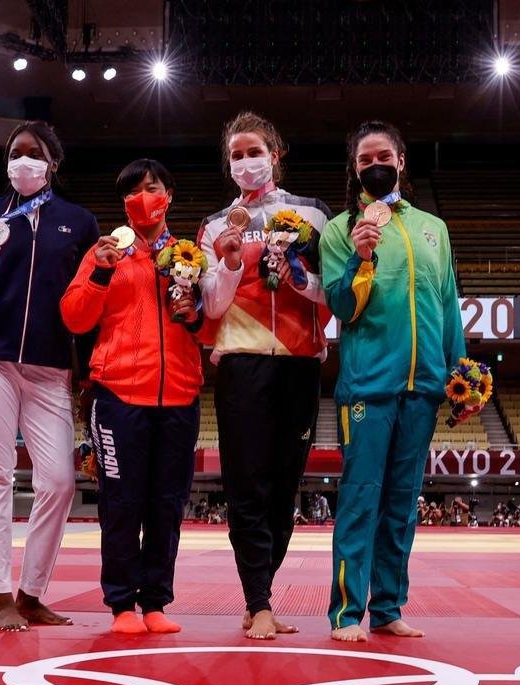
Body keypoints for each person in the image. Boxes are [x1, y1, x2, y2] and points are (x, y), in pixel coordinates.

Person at [321, 120, 472, 642]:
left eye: (382, 156)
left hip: (425, 385)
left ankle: (387, 607)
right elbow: (341, 306)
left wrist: (462, 370)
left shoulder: (435, 229)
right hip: (367, 386)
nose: (374, 165)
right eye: (364, 161)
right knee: (361, 497)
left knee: (403, 502)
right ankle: (346, 614)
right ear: (355, 170)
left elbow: (448, 302)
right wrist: (362, 257)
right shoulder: (340, 229)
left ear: (401, 161)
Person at [0, 120, 98, 632]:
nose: (23, 161)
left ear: (52, 163)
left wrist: (88, 373)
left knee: (58, 481)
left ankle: (32, 592)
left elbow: (88, 304)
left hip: (50, 366)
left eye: (34, 153)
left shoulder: (79, 223)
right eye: (16, 153)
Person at [197, 112, 332, 640]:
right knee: (246, 486)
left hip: (301, 364)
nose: (245, 161)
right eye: (236, 155)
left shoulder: (314, 216)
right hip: (242, 363)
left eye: (254, 151)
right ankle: (259, 601)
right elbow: (209, 306)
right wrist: (230, 265)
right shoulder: (214, 226)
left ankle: (261, 597)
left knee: (285, 490)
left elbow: (334, 292)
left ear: (275, 154)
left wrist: (300, 277)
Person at [61, 158, 203, 635]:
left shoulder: (189, 256)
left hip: (179, 396)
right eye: (133, 190)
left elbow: (214, 327)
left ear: (169, 195)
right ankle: (121, 603)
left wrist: (196, 313)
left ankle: (156, 602)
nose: (144, 196)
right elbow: (75, 318)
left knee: (167, 504)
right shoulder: (105, 253)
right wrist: (100, 274)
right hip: (119, 396)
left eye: (153, 186)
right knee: (121, 503)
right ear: (124, 202)